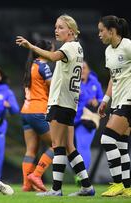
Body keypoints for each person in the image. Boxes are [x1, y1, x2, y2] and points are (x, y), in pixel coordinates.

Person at [16, 14, 95, 196]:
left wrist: (31, 46)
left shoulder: (68, 47)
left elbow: (52, 56)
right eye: (56, 27)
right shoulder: (78, 48)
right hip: (70, 102)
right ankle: (87, 186)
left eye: (60, 27)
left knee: (57, 145)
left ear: (71, 31)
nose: (56, 30)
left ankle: (56, 189)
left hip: (60, 102)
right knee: (69, 146)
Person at [97, 15, 131, 197]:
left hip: (129, 101)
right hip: (117, 101)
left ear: (112, 31)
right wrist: (105, 100)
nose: (99, 34)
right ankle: (127, 187)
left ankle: (117, 183)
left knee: (107, 139)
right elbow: (113, 78)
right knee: (121, 144)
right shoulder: (109, 51)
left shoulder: (127, 46)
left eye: (102, 30)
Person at [20, 39, 54, 192]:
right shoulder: (43, 66)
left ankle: (27, 184)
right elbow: (52, 87)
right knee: (57, 145)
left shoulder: (30, 66)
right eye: (52, 50)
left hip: (26, 111)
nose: (53, 53)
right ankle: (36, 175)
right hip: (38, 111)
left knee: (31, 150)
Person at [74, 61, 103, 173]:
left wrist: (97, 101)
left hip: (87, 119)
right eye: (79, 68)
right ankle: (78, 173)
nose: (82, 70)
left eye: (84, 68)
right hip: (71, 119)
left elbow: (102, 99)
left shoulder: (95, 83)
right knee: (68, 149)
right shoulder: (73, 82)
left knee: (83, 146)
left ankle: (83, 173)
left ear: (88, 70)